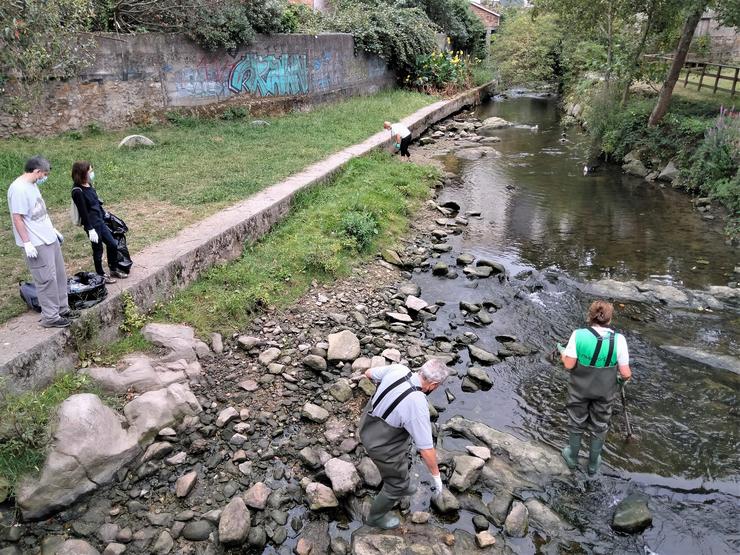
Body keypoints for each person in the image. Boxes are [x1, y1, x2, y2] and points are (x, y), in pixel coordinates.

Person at [358, 359, 450, 529]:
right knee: (395, 485)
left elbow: (370, 373)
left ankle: (403, 482)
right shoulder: (417, 403)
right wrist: (437, 477)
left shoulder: (399, 369)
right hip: (382, 445)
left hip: (366, 426)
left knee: (401, 459)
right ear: (434, 385)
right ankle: (375, 517)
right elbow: (426, 449)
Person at [558, 300, 632, 475]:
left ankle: (572, 457)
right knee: (600, 424)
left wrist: (562, 353)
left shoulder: (578, 334)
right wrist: (621, 381)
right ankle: (593, 463)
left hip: (579, 390)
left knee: (576, 421)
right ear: (609, 319)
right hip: (605, 393)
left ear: (590, 316)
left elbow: (569, 365)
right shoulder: (619, 340)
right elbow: (626, 373)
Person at [7, 156, 76, 328]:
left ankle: (62, 308)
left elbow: (38, 211)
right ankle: (50, 317)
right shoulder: (19, 189)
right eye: (43, 174)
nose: (44, 178)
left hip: (48, 238)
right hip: (36, 243)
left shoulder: (32, 185)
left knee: (59, 275)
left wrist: (51, 229)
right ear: (37, 171)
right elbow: (18, 218)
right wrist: (27, 242)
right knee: (46, 280)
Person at [71, 161, 127, 283]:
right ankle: (100, 274)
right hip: (92, 225)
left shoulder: (89, 185)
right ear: (82, 173)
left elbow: (96, 203)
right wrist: (90, 229)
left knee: (112, 244)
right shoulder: (77, 191)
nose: (92, 173)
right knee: (98, 249)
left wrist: (104, 215)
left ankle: (113, 268)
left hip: (100, 221)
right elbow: (83, 212)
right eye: (89, 171)